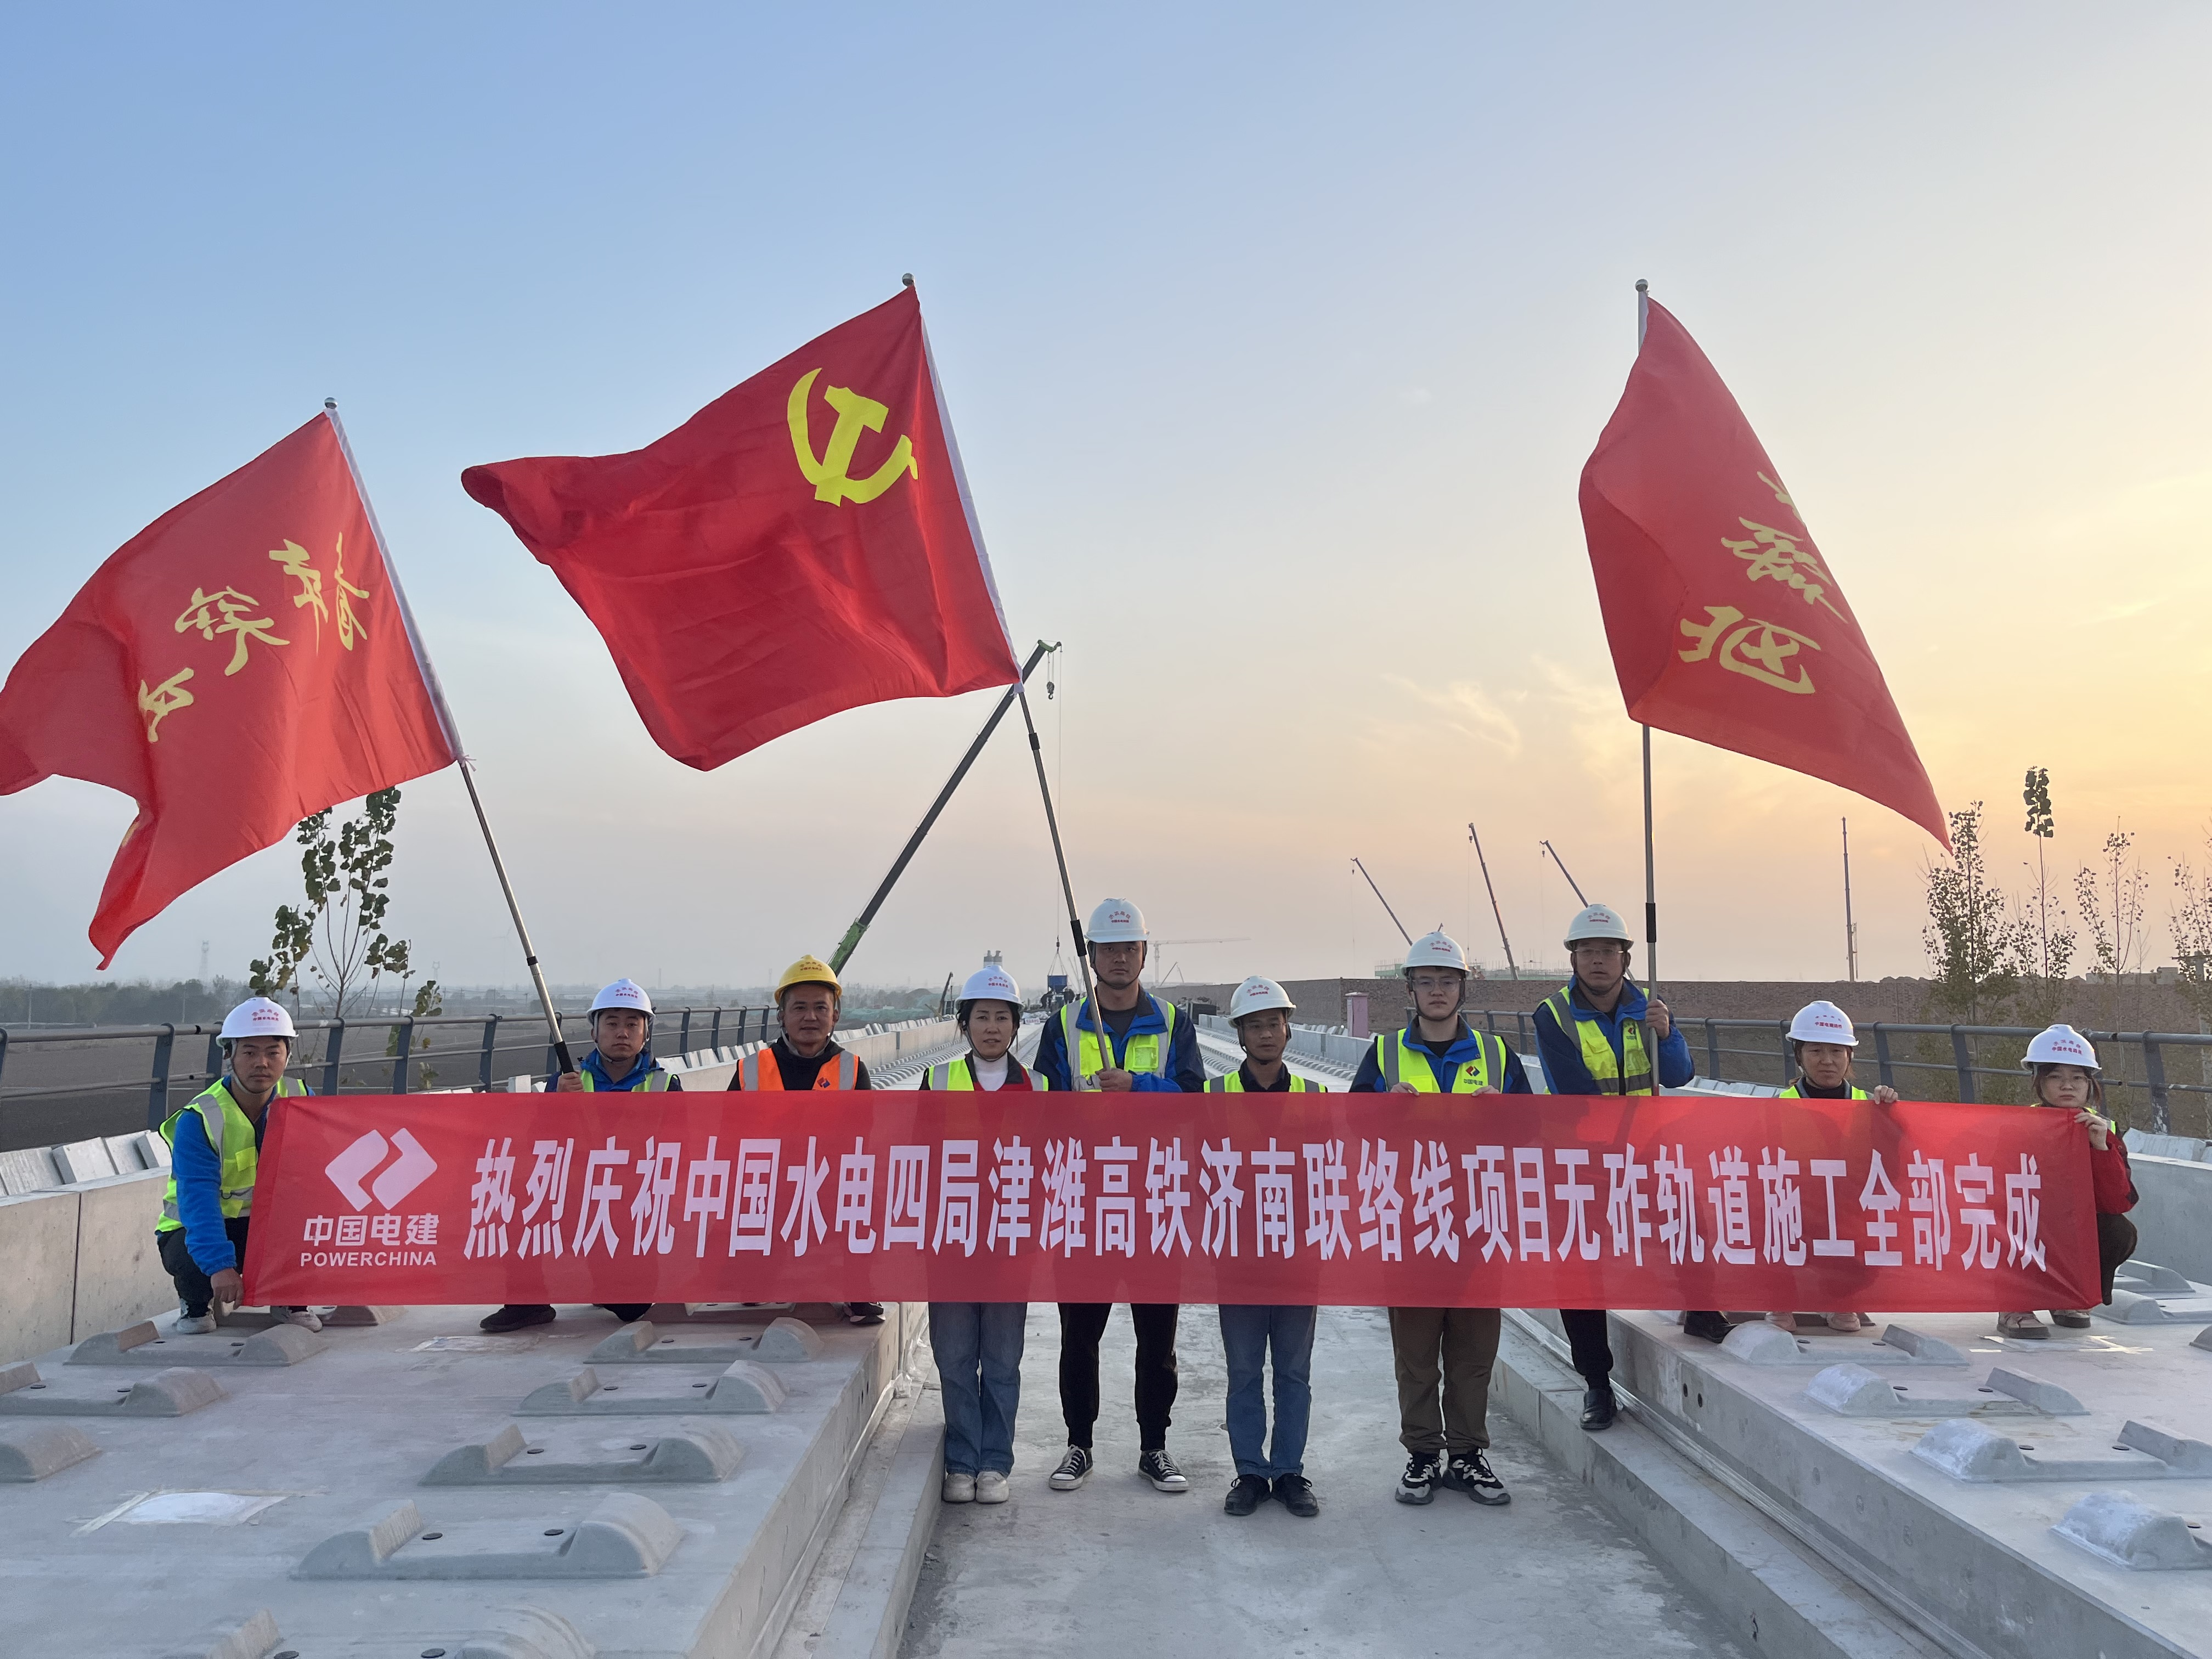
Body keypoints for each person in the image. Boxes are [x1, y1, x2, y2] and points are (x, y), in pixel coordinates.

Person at [1031, 898, 1204, 1496]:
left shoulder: (1174, 1024)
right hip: (1086, 1202)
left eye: (1130, 948)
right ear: (1092, 956)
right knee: (1080, 1336)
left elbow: (1194, 1100)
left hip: (1155, 1201)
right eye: (1109, 949)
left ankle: (1154, 1447)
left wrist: (1138, 1086)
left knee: (1158, 1341)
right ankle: (1078, 1444)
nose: (1120, 959)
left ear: (1144, 954)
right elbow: (1042, 1108)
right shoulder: (1065, 1026)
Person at [1349, 932, 1524, 1509]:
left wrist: (1504, 1115)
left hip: (1477, 1226)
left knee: (1473, 1355)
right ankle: (1423, 1454)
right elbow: (1351, 1131)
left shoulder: (1496, 1056)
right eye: (1426, 982)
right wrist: (1383, 1112)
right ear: (1410, 990)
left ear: (1462, 988)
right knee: (1417, 1355)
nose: (1437, 991)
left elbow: (1533, 1135)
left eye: (1447, 981)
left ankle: (1467, 1454)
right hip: (1411, 1225)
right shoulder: (1385, 1055)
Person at [1531, 903, 1697, 1427]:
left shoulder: (1650, 1008)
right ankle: (1597, 1384)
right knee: (1580, 1268)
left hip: (1647, 1154)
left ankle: (1704, 1312)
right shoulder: (1553, 1015)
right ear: (1573, 959)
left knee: (1692, 1225)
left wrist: (1667, 1034)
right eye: (1587, 952)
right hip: (1583, 1161)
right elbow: (1574, 1090)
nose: (1597, 960)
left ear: (1626, 958)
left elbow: (1679, 1075)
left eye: (1607, 951)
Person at [481, 979, 676, 1334]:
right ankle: (527, 1302)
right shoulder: (568, 1081)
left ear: (646, 1033)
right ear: (594, 1031)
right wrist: (557, 1104)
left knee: (631, 1307)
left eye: (632, 1024)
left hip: (633, 1203)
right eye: (612, 1023)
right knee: (521, 1202)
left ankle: (610, 1282)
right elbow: (538, 1143)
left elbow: (684, 1150)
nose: (622, 1032)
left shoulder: (665, 1084)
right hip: (575, 1196)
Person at [922, 964, 1043, 1504]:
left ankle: (995, 1462)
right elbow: (916, 1159)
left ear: (1016, 1025)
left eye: (1002, 1018)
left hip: (1010, 1246)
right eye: (981, 1017)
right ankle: (961, 1460)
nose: (992, 1027)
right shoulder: (938, 1081)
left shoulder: (1038, 1087)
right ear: (965, 1023)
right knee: (953, 1357)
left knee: (1001, 1360)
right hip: (951, 1243)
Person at [1210, 976, 1327, 1518]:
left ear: (1288, 1030)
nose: (1265, 1034)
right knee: (1243, 1372)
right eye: (1254, 1025)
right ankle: (1251, 1473)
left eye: (1273, 1024)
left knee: (1293, 1374)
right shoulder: (1214, 1097)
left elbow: (1336, 1171)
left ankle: (1289, 1472)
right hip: (1238, 1259)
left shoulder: (1314, 1097)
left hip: (1299, 1258)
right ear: (1239, 1034)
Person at [730, 954, 882, 1327]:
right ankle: (755, 1270)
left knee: (867, 1193)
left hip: (831, 1186)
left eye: (820, 1008)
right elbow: (726, 1137)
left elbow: (866, 1142)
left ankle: (857, 1289)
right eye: (799, 1008)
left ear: (836, 1015)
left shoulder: (852, 1069)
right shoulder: (752, 1069)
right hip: (767, 1188)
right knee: (746, 1284)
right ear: (781, 1015)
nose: (810, 1017)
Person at [156, 997, 318, 1335]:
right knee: (187, 1253)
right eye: (249, 1052)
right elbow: (198, 1199)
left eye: (273, 1052)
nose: (262, 1063)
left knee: (314, 1227)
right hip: (198, 1229)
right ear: (229, 1054)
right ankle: (195, 1303)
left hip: (267, 1226)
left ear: (288, 1055)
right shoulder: (200, 1118)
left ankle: (291, 1299)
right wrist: (219, 1266)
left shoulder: (302, 1100)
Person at [1999, 1025, 2139, 1339]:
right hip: (2029, 1219)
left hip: (2071, 1222)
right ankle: (2014, 1304)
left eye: (2078, 1077)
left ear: (2090, 1084)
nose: (2067, 1085)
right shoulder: (2019, 1126)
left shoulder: (2104, 1129)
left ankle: (2067, 1297)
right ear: (2039, 1082)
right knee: (2014, 1225)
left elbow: (2118, 1201)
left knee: (2117, 1231)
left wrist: (2100, 1148)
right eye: (2055, 1077)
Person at [1769, 1000, 1898, 1334]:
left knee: (1863, 1247)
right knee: (1764, 1221)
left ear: (1849, 1056)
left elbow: (1894, 1162)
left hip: (1845, 1212)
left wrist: (1891, 1115)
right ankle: (1780, 1299)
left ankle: (1840, 1298)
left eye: (1837, 1051)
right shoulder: (1778, 1107)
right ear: (1799, 1056)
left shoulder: (1869, 1105)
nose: (1827, 1060)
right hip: (1795, 1209)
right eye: (1816, 1051)